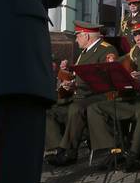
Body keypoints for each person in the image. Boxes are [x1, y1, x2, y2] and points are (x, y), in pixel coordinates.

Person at [86, 18, 140, 172]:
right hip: (134, 99)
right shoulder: (135, 53)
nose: (137, 38)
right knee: (95, 108)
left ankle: (134, 155)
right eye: (135, 35)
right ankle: (115, 150)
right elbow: (116, 66)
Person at [46, 22, 119, 166]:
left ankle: (68, 152)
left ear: (86, 35)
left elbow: (105, 81)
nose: (76, 40)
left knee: (75, 109)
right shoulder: (85, 51)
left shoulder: (106, 50)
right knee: (49, 109)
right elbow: (78, 75)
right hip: (80, 95)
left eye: (78, 36)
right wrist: (69, 81)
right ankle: (56, 148)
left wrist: (76, 85)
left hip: (97, 96)